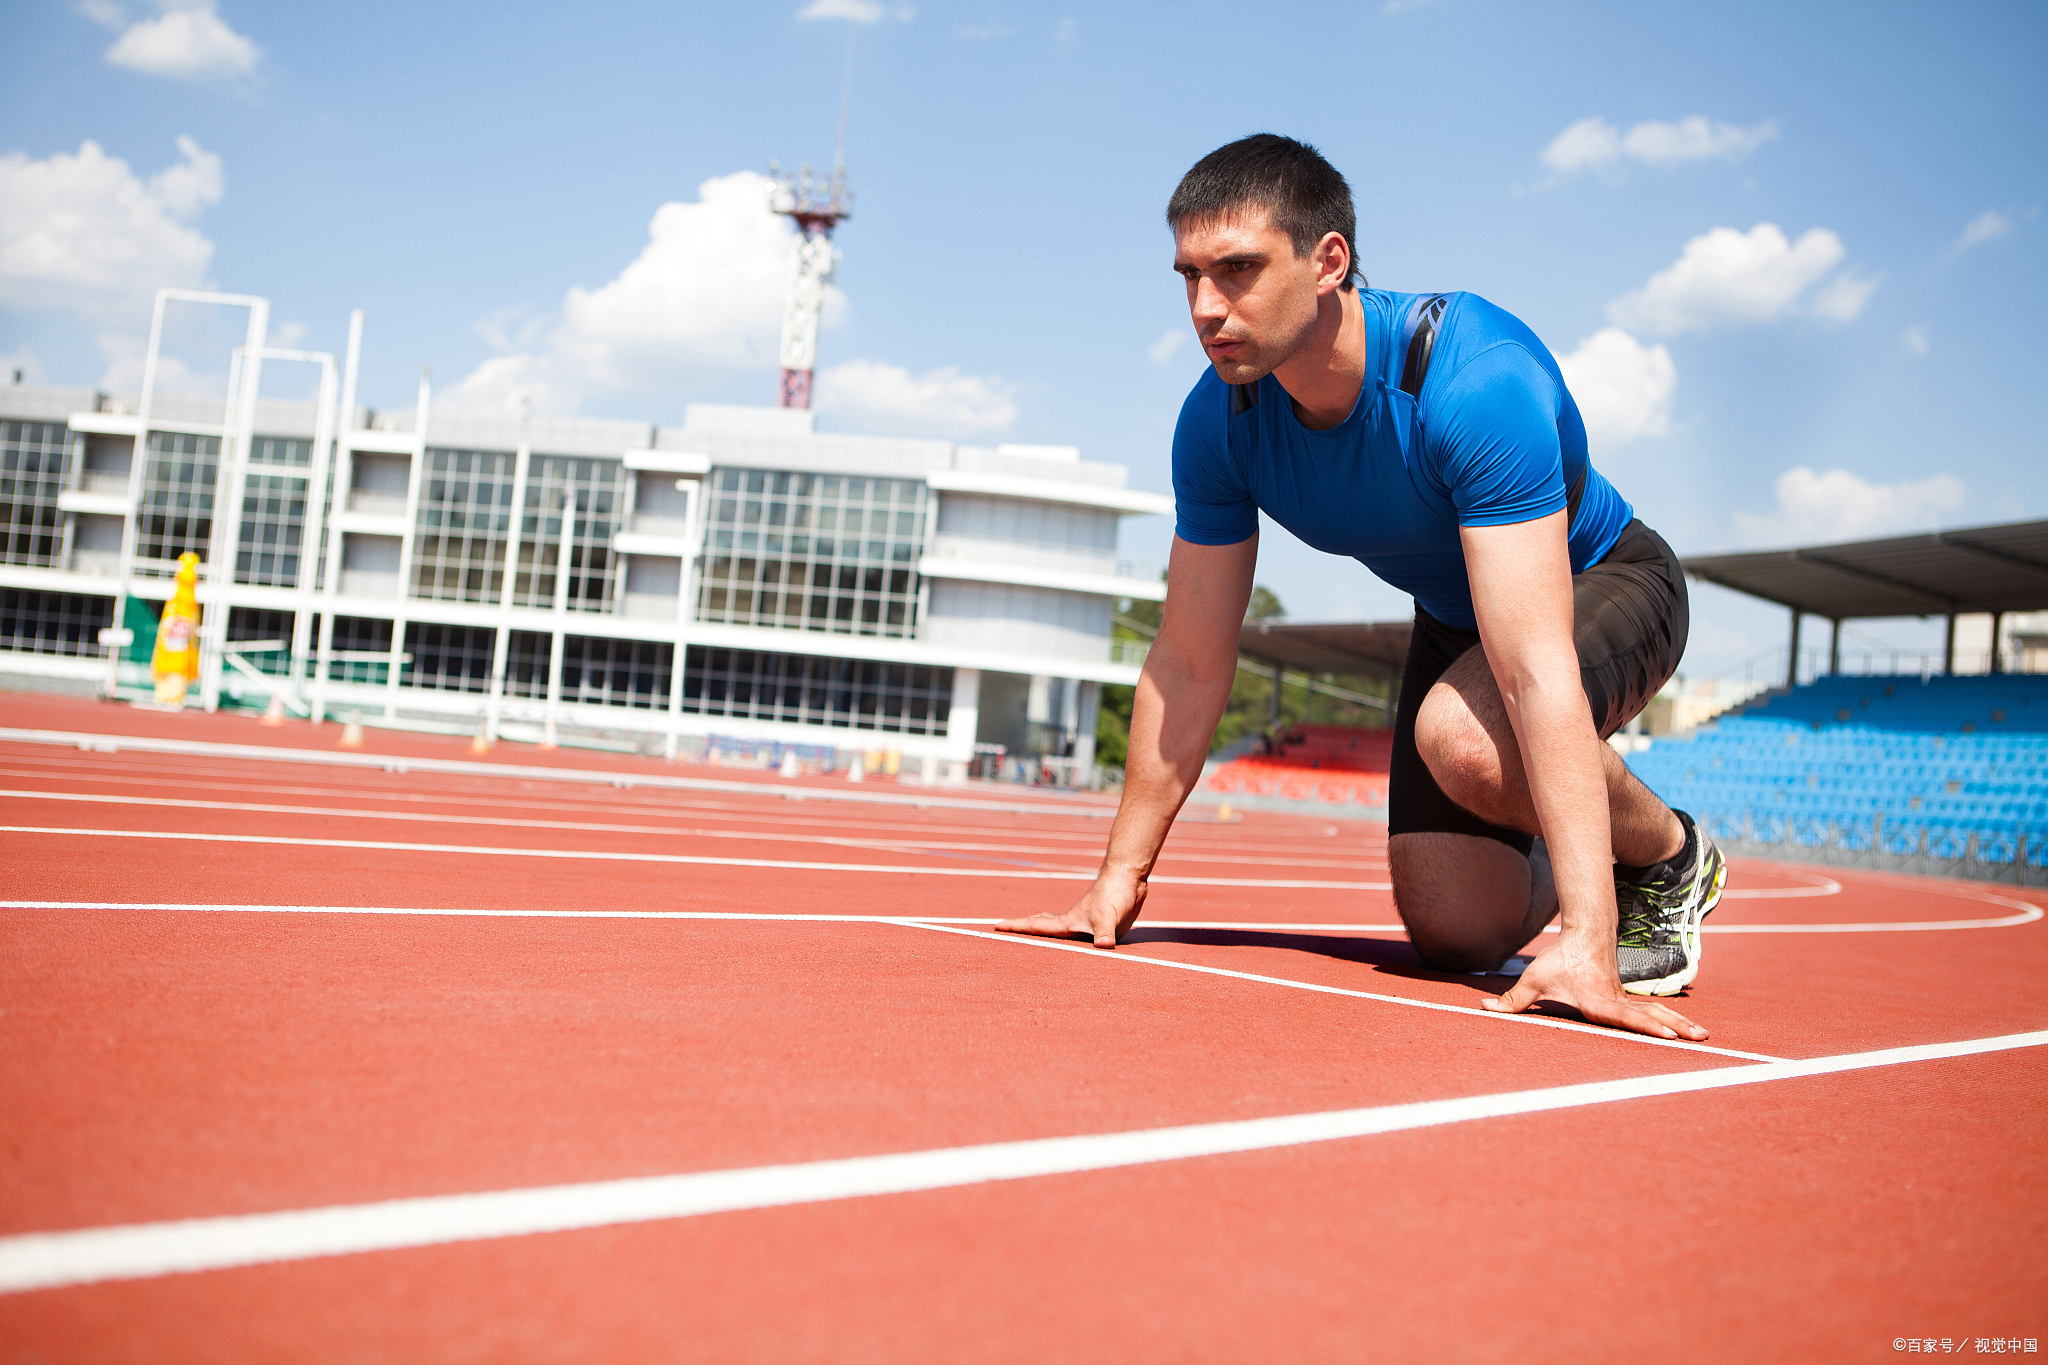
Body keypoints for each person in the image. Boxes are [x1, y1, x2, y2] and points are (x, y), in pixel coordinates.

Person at [996, 134, 1726, 1041]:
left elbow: (1536, 665)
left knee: (1462, 736)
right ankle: (1589, 843)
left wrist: (1587, 937)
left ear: (1328, 260)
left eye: (1238, 270)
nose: (1205, 307)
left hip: (1605, 579)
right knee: (1455, 932)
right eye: (1188, 275)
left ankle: (1665, 852)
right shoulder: (1220, 423)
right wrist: (1115, 882)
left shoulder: (1472, 379)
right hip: (1463, 618)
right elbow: (1187, 661)